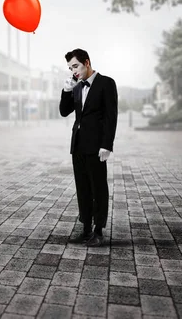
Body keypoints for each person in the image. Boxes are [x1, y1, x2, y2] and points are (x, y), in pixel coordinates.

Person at [59, 48, 118, 247]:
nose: (73, 71)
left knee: (98, 188)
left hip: (96, 145)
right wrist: (66, 91)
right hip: (78, 145)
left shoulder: (106, 83)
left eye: (75, 66)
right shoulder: (76, 86)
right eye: (70, 68)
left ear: (87, 62)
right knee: (82, 188)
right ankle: (85, 229)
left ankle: (98, 231)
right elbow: (64, 111)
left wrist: (106, 144)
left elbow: (111, 116)